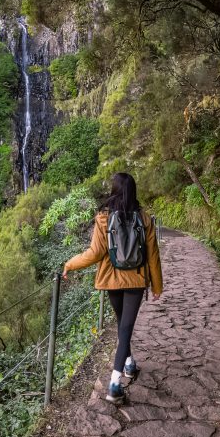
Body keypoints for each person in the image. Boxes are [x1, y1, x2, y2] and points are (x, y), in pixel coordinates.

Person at [62, 173, 163, 404]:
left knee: (122, 324)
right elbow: (153, 256)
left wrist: (70, 263)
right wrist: (156, 285)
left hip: (111, 280)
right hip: (136, 280)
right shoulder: (144, 219)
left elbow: (95, 253)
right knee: (125, 327)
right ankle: (118, 379)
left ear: (114, 190)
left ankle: (121, 375)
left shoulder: (103, 218)